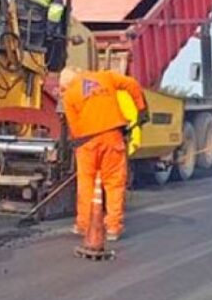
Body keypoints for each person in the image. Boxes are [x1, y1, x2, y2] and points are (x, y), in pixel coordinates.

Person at [59, 66, 148, 242]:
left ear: (66, 85)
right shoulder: (106, 77)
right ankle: (113, 228)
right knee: (114, 184)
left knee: (86, 184)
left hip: (87, 144)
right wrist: (141, 108)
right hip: (112, 138)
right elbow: (132, 84)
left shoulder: (69, 95)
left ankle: (84, 225)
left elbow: (74, 127)